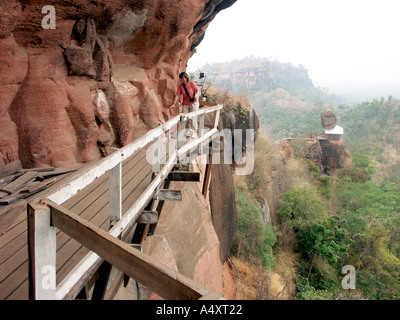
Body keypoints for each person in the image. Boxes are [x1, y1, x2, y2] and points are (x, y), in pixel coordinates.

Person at [169, 72, 199, 138]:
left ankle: (194, 132)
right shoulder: (181, 86)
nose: (182, 80)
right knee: (184, 118)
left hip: (193, 103)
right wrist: (174, 104)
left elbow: (197, 91)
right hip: (185, 104)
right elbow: (177, 95)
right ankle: (185, 131)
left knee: (193, 118)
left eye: (182, 78)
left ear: (186, 77)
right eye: (181, 79)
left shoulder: (192, 83)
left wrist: (196, 96)